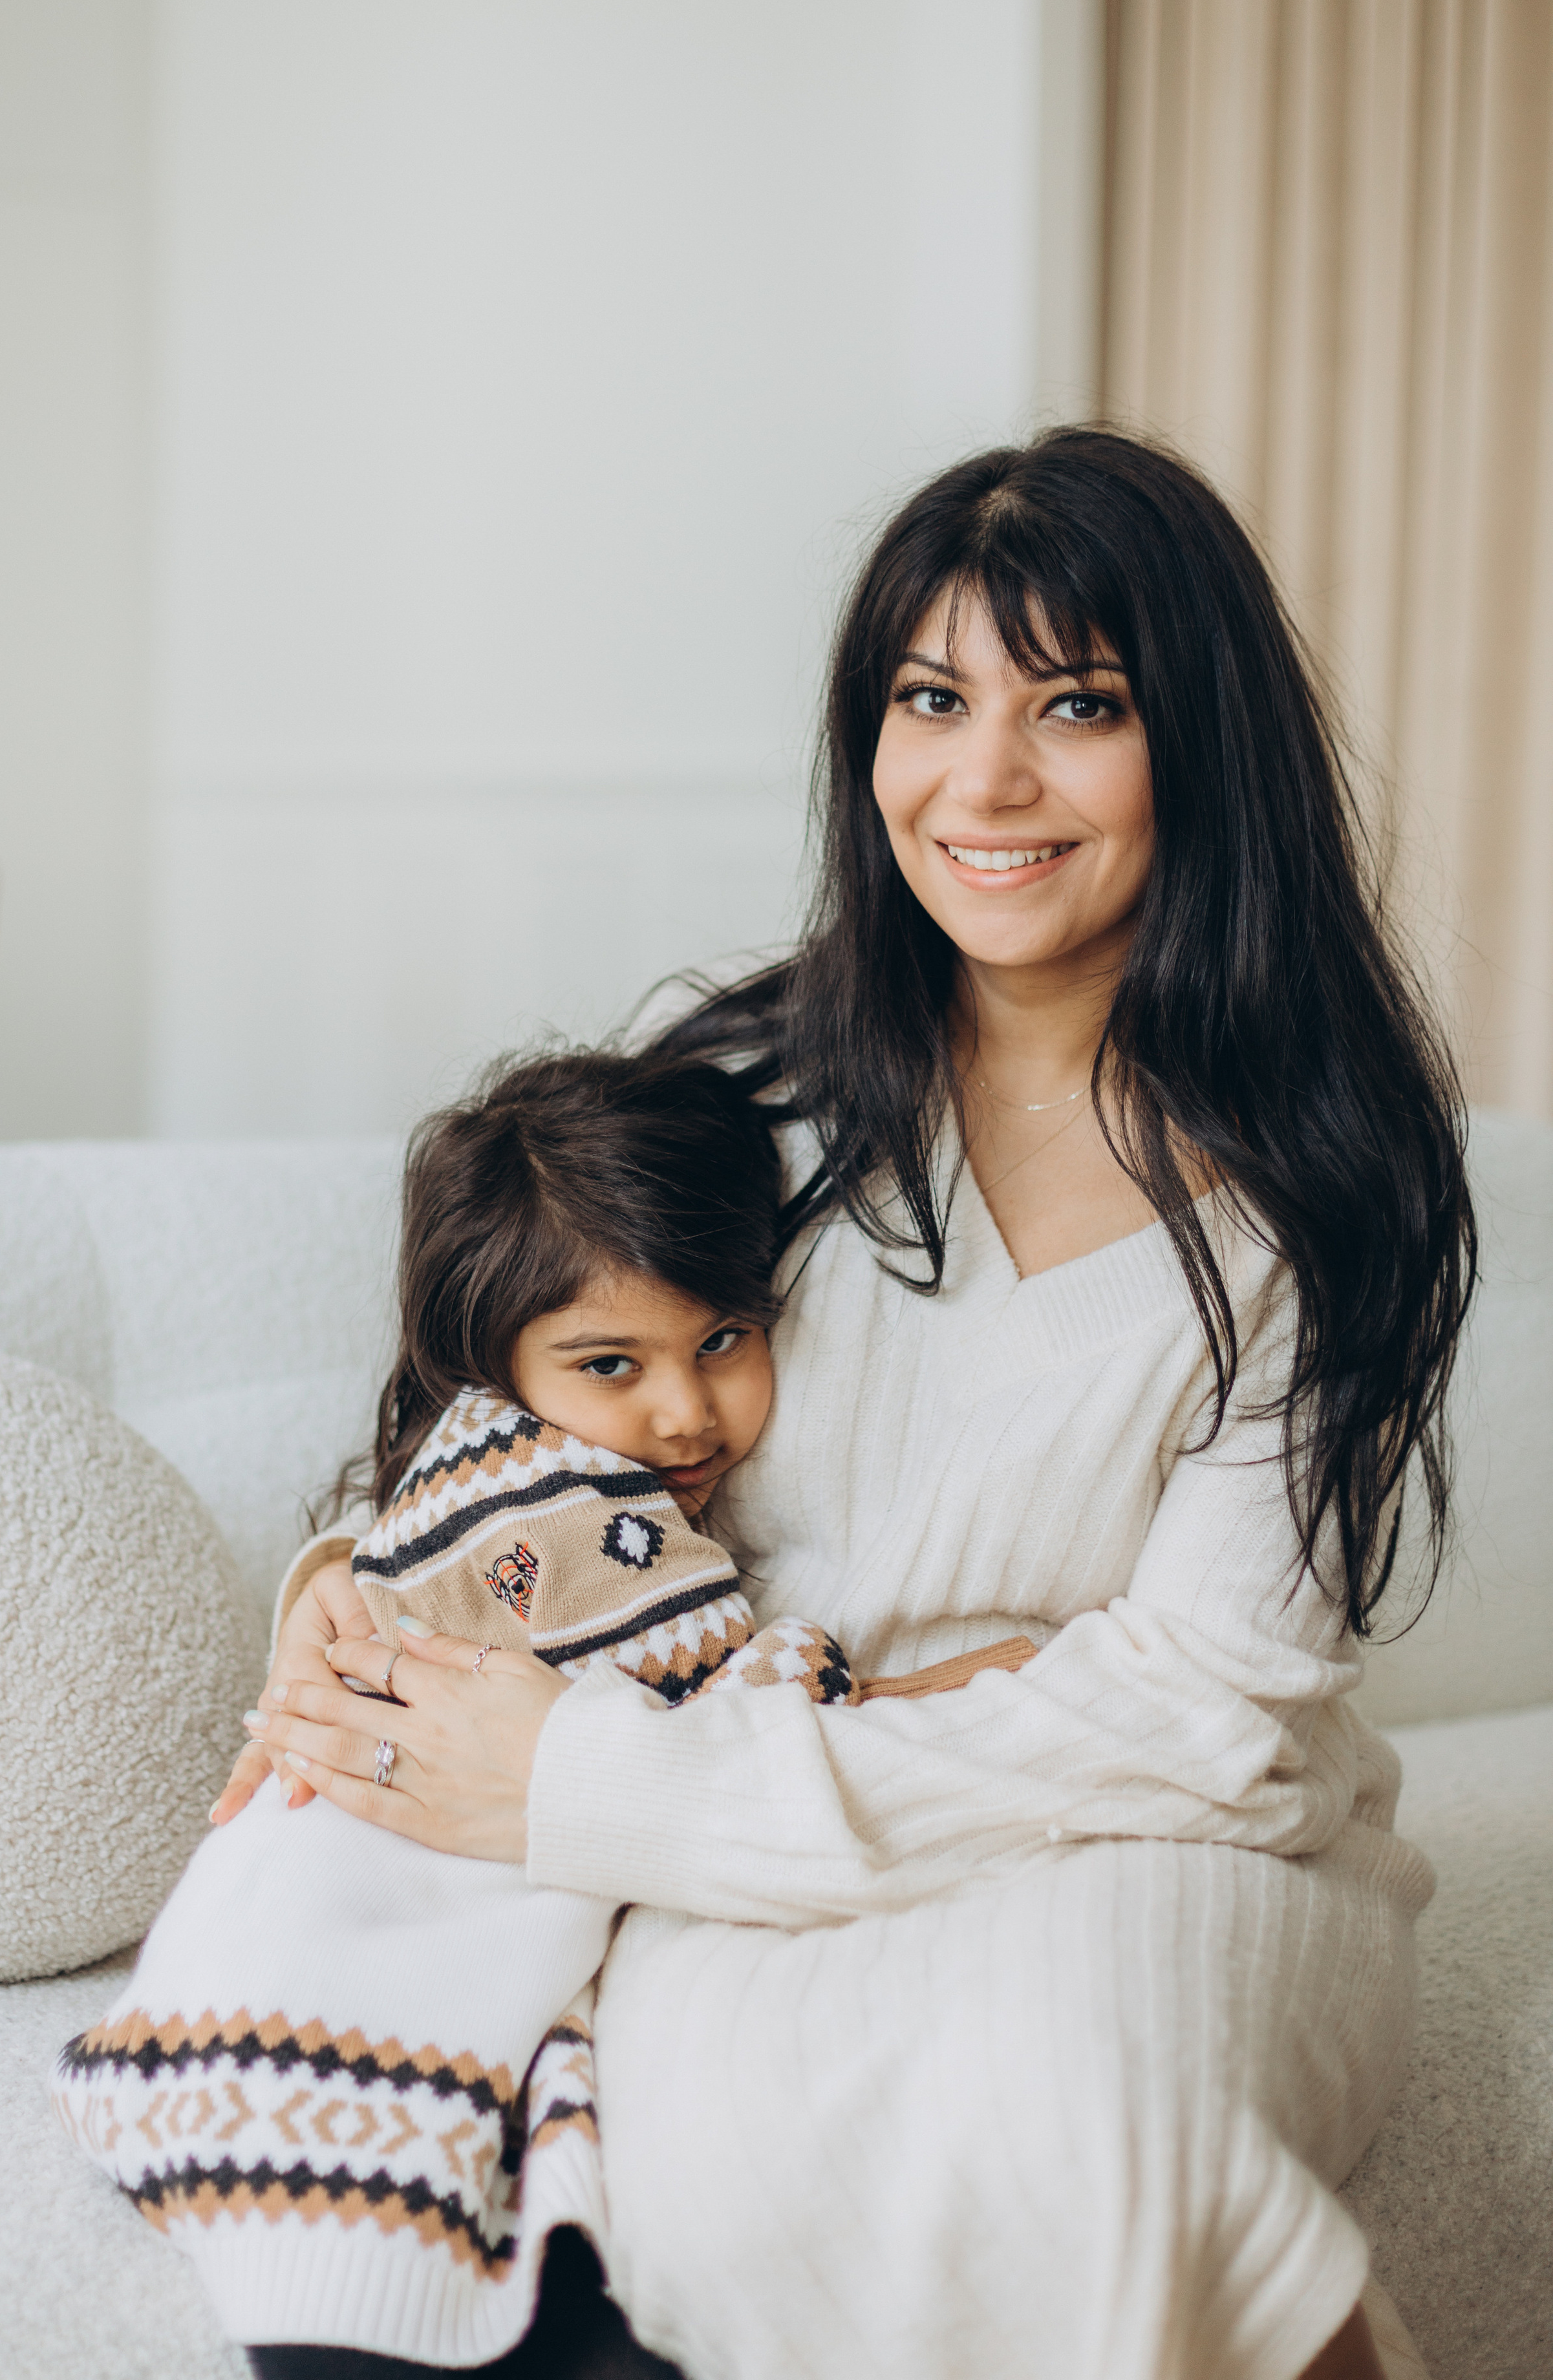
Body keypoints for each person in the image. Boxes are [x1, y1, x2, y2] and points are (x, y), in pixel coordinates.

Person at [215, 429, 1475, 2380]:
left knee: (1107, 2126)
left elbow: (1208, 1725)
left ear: (1202, 744)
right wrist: (356, 1587)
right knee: (738, 2154)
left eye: (1078, 706)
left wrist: (590, 1784)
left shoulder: (1323, 1188)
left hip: (1160, 1846)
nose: (984, 781)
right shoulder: (749, 1094)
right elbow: (530, 1405)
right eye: (929, 700)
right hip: (738, 1832)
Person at [52, 1052, 895, 2370]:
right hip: (336, 1922)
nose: (684, 1411)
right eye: (610, 1363)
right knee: (384, 2247)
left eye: (723, 1340)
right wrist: (872, 1680)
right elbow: (702, 1697)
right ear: (485, 1365)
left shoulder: (492, 1474)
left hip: (259, 1976)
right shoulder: (549, 1508)